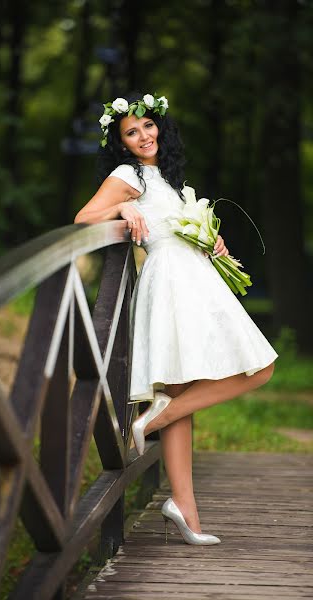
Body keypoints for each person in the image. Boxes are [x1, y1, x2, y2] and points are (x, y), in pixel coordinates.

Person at [74, 92, 278, 545]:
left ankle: (184, 509)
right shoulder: (127, 175)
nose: (144, 135)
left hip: (193, 276)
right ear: (121, 142)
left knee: (191, 389)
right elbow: (84, 217)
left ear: (160, 127)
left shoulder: (163, 177)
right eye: (132, 132)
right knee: (259, 368)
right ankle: (151, 423)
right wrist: (122, 207)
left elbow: (173, 225)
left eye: (149, 126)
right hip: (170, 282)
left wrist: (211, 241)